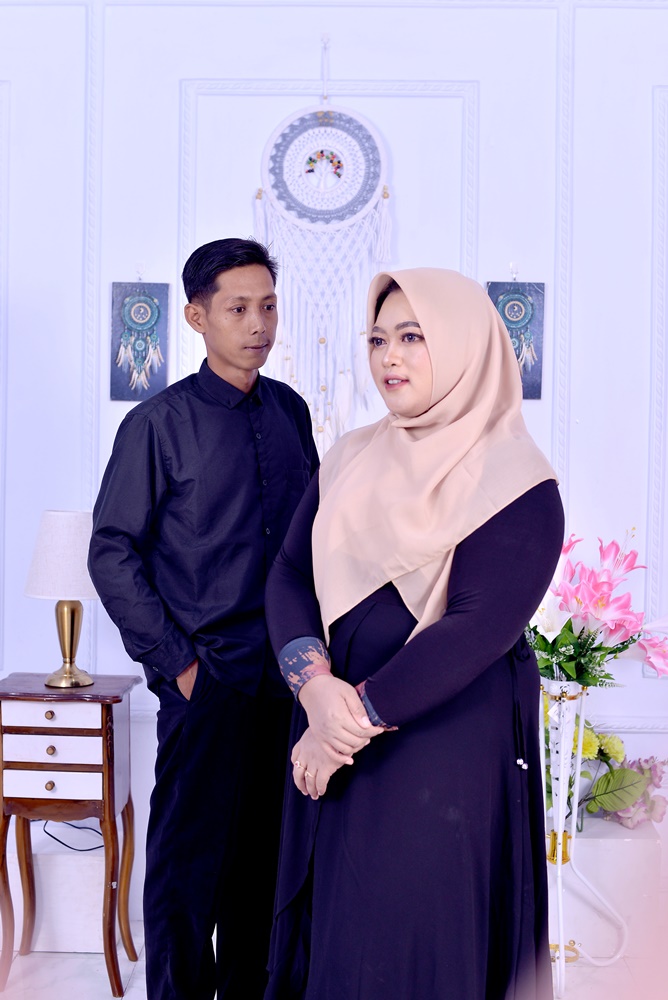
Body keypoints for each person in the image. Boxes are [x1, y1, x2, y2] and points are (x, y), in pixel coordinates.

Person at [263, 268, 564, 1000]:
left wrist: (342, 726)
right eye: (377, 340)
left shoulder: (519, 481)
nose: (389, 357)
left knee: (413, 937)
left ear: (465, 346)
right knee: (338, 932)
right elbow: (289, 574)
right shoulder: (351, 456)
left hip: (442, 754)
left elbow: (473, 630)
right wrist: (315, 690)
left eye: (412, 337)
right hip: (334, 735)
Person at [88, 238, 319, 1000]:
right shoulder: (157, 424)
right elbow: (112, 552)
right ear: (196, 317)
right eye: (238, 308)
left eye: (268, 307)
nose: (258, 325)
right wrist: (180, 666)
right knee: (187, 876)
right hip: (207, 683)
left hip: (287, 684)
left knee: (264, 869)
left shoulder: (290, 413)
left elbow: (313, 542)